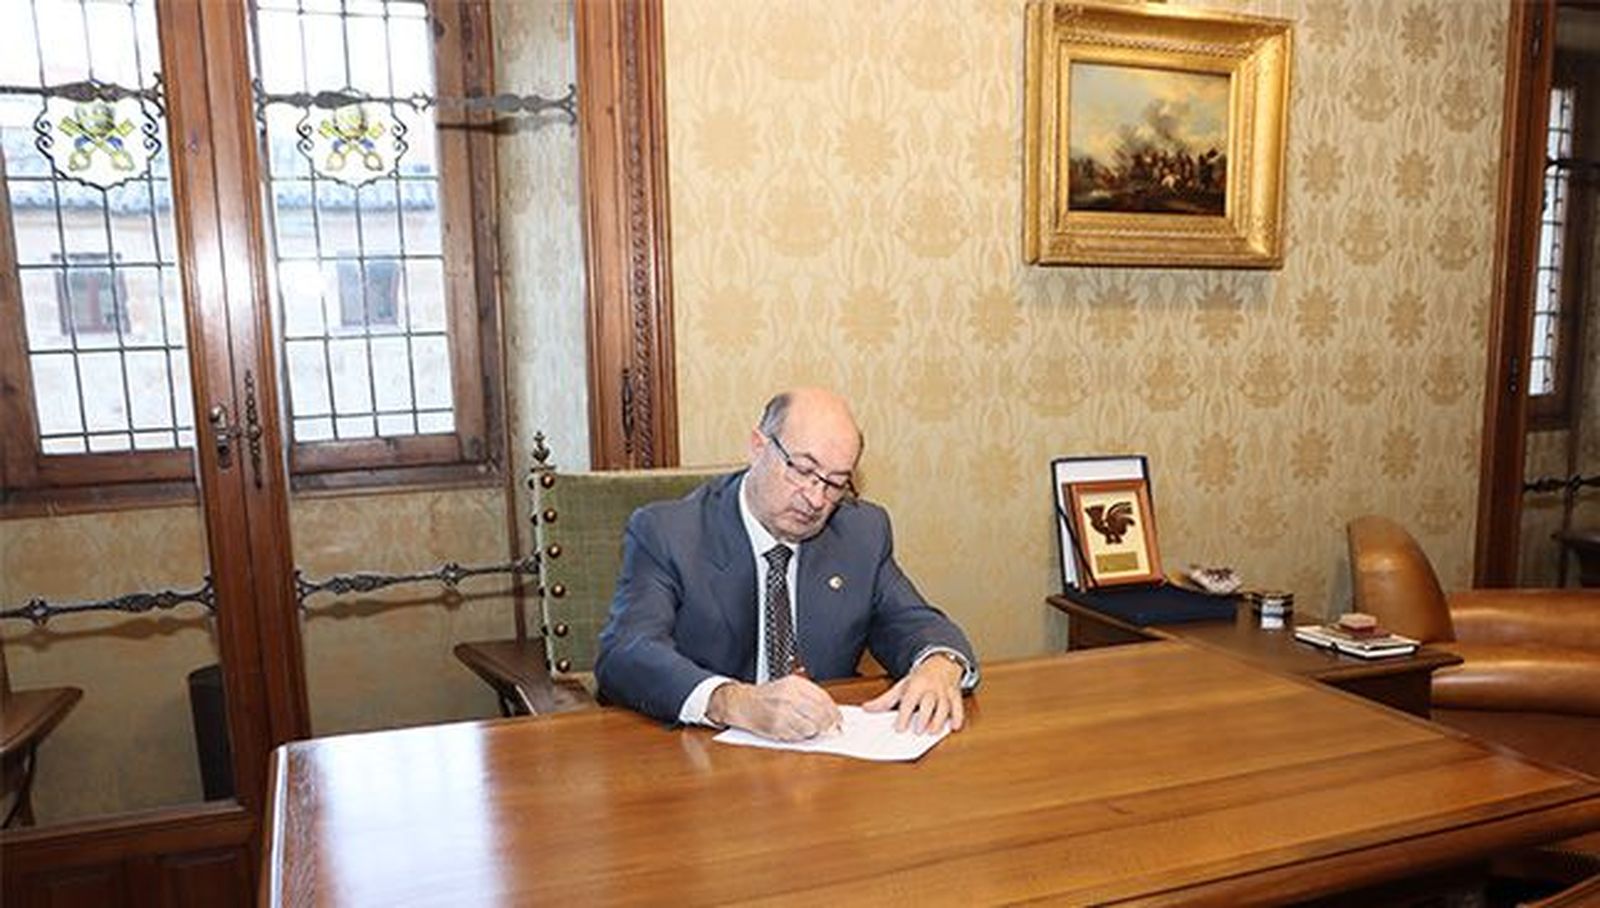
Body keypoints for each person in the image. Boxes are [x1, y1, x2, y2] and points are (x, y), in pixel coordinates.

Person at [596, 387, 979, 741]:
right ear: (758, 446)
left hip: (824, 765)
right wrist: (731, 701)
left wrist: (939, 665)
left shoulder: (861, 532)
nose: (815, 499)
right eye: (802, 470)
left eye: (835, 482)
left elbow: (915, 622)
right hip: (700, 757)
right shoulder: (668, 532)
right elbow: (626, 651)